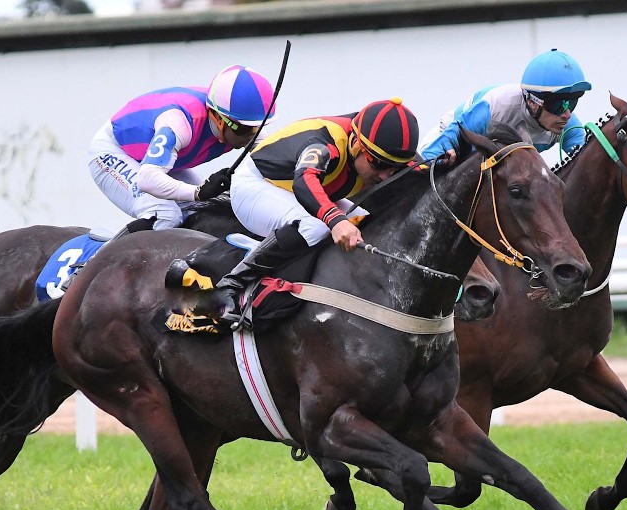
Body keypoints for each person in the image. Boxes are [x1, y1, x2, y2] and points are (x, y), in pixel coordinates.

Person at [216, 97, 420, 329]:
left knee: (362, 220)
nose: (385, 175)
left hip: (292, 189)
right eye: (378, 164)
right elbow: (304, 181)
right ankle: (230, 285)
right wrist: (335, 220)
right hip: (255, 186)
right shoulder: (326, 143)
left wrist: (442, 163)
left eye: (393, 168)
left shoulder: (371, 142)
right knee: (318, 225)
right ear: (356, 144)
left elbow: (417, 167)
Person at [87, 64, 277, 240]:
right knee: (165, 214)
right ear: (219, 118)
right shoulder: (179, 122)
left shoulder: (242, 123)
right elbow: (147, 179)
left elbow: (275, 166)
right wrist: (197, 192)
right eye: (244, 130)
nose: (251, 137)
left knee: (209, 207)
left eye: (258, 128)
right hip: (116, 152)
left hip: (164, 160)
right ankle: (96, 264)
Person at [417, 49, 591, 167]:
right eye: (559, 105)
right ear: (533, 101)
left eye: (572, 103)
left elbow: (584, 171)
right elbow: (425, 160)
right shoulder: (495, 107)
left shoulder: (570, 126)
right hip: (448, 140)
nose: (567, 114)